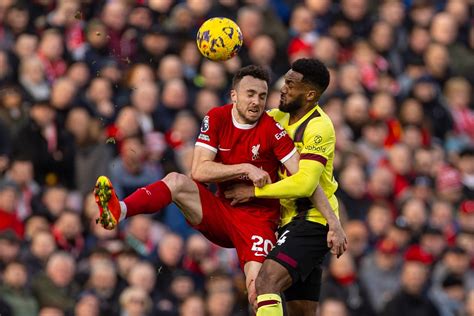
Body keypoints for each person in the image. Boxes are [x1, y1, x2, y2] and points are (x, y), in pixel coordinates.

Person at [94, 65, 336, 309]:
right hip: (221, 211)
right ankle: (119, 210)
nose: (257, 102)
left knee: (258, 288)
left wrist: (333, 222)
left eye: (262, 96)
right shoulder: (217, 117)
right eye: (250, 94)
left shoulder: (273, 128)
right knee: (177, 180)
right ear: (234, 95)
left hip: (258, 221)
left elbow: (307, 181)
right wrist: (245, 168)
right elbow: (199, 171)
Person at [224, 58, 346, 316]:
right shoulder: (275, 118)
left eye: (291, 84)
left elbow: (305, 183)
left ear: (310, 94)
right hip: (287, 221)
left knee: (267, 282)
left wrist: (254, 191)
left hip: (312, 221)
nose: (283, 88)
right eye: (285, 81)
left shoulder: (319, 127)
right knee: (301, 312)